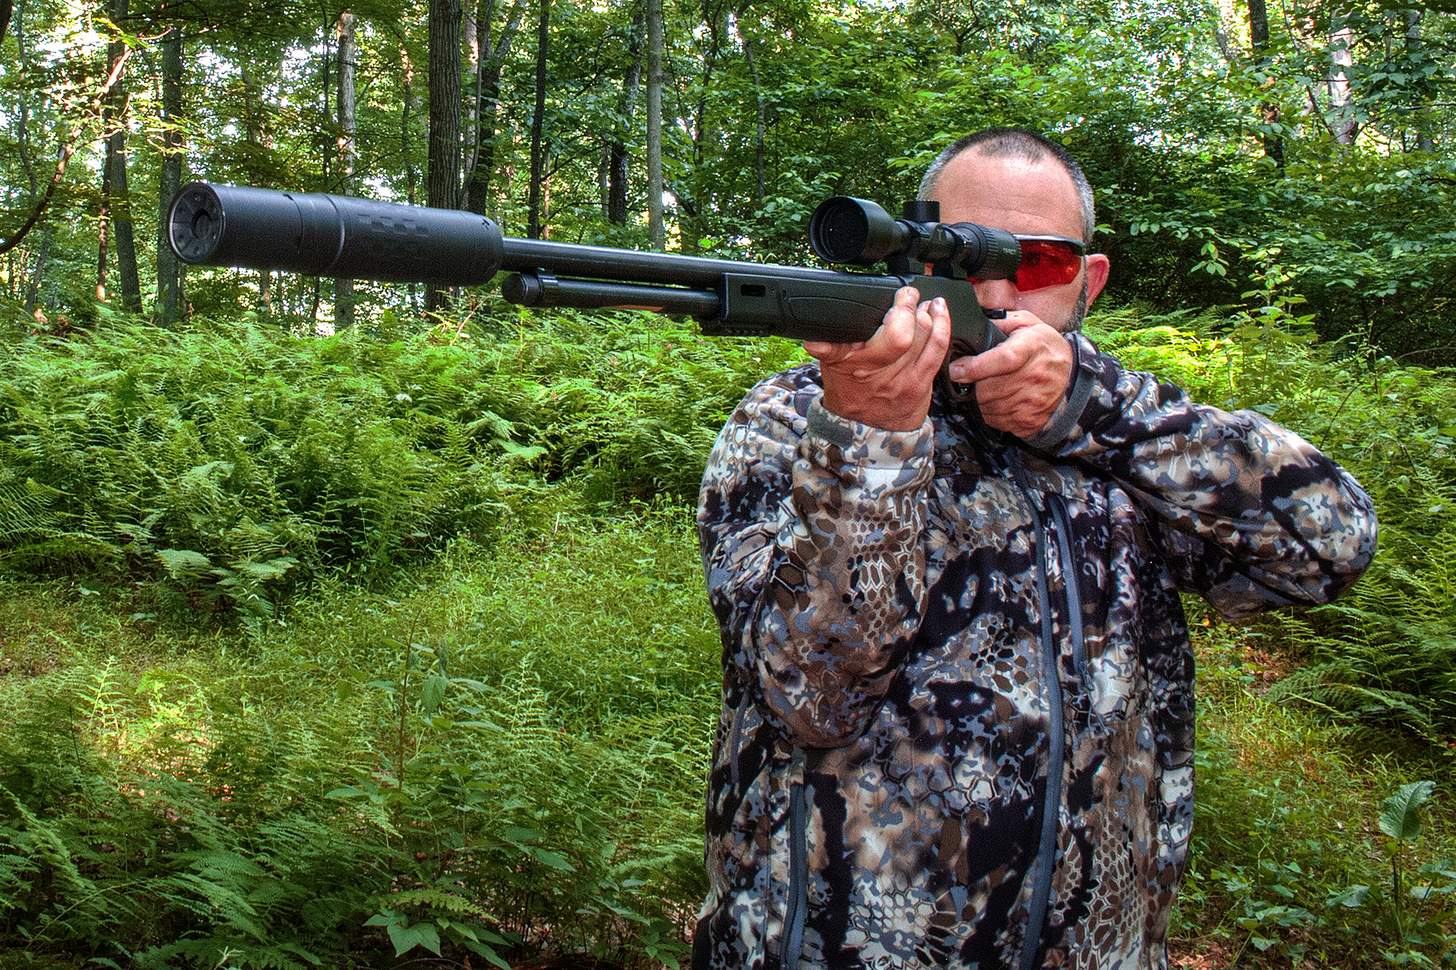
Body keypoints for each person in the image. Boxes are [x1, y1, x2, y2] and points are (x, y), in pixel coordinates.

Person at [690, 128, 1377, 970]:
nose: (999, 285)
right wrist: (869, 442)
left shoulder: (1121, 434)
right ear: (908, 259)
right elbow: (810, 698)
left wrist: (1092, 410)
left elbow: (1331, 548)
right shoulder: (795, 423)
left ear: (1087, 281)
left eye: (1040, 262)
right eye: (958, 254)